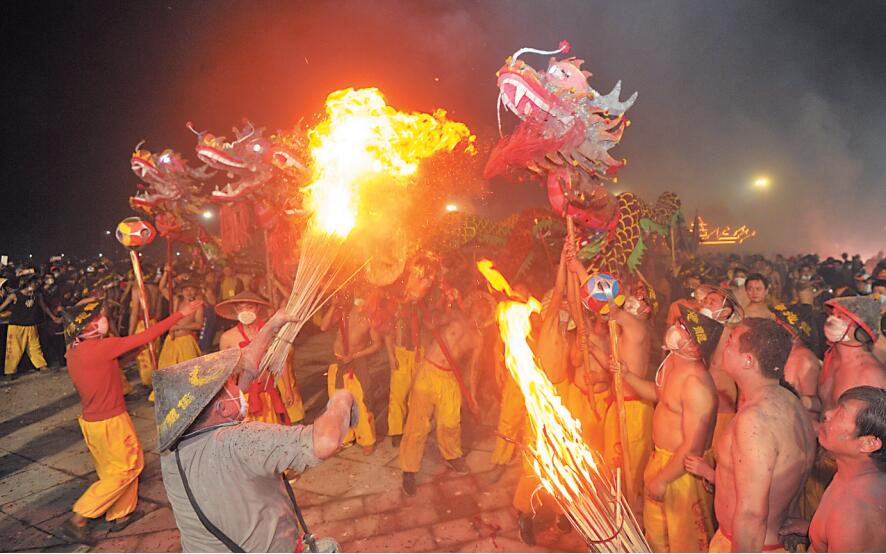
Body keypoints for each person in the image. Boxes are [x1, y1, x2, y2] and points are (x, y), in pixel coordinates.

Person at [154, 309, 355, 552]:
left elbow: (248, 366)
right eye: (231, 386)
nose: (240, 387)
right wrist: (341, 399)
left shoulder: (172, 453)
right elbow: (324, 441)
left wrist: (272, 325)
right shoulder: (239, 442)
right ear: (221, 408)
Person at [59, 298, 201, 544]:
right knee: (129, 467)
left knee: (111, 470)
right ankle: (80, 515)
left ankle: (121, 514)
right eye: (95, 318)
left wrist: (136, 352)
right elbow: (147, 335)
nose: (101, 320)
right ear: (85, 327)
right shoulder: (100, 347)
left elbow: (110, 366)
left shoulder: (74, 350)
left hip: (92, 423)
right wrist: (180, 313)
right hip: (111, 421)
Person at [709, 318, 816, 552]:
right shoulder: (791, 401)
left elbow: (752, 514)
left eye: (730, 343)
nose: (724, 346)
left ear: (748, 360)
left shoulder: (754, 420)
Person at [620, 305, 719, 552]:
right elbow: (658, 395)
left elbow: (693, 446)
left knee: (683, 541)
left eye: (685, 329)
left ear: (696, 347)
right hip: (662, 460)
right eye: (680, 324)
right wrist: (626, 375)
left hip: (682, 472)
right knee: (658, 538)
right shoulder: (674, 364)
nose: (676, 328)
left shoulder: (696, 384)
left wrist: (664, 479)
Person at [399, 293, 487, 496]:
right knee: (417, 424)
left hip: (449, 379)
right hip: (429, 370)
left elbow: (473, 369)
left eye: (486, 310)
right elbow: (431, 323)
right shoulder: (455, 315)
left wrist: (472, 397)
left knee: (450, 422)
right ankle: (409, 470)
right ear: (472, 306)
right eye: (480, 305)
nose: (482, 311)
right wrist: (443, 303)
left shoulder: (478, 338)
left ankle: (452, 456)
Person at [780, 386, 886, 552]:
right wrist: (815, 533)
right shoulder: (854, 475)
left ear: (868, 443)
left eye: (841, 413)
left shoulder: (852, 517)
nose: (827, 414)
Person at [217, 291, 303, 425]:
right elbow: (225, 372)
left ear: (257, 308)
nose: (244, 311)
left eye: (249, 307)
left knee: (273, 429)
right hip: (244, 394)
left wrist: (287, 388)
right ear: (235, 310)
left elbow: (281, 361)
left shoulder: (269, 332)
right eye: (240, 308)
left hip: (267, 390)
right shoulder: (228, 338)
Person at [321, 288, 383, 455]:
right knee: (337, 402)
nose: (362, 299)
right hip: (337, 362)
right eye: (360, 295)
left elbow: (377, 344)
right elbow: (323, 326)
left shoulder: (370, 320)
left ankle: (367, 439)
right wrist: (333, 306)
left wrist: (355, 355)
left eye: (367, 296)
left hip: (356, 364)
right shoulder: (342, 313)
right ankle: (345, 437)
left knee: (362, 402)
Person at [696, 284, 743, 451]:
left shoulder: (731, 335)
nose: (706, 304)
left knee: (716, 451)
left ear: (726, 312)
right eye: (706, 301)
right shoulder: (700, 331)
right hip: (703, 400)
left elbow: (740, 375)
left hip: (722, 403)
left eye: (713, 302)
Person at [819, 296, 886, 413]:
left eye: (841, 316)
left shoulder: (869, 375)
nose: (832, 319)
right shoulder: (831, 359)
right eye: (832, 314)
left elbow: (871, 427)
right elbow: (827, 407)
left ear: (861, 328)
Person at [1, 277, 60, 379]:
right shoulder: (14, 296)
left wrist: (53, 318)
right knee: (14, 349)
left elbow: (44, 307)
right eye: (34, 282)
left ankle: (42, 366)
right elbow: (1, 307)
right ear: (28, 283)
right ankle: (9, 372)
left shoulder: (37, 296)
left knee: (35, 347)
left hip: (31, 326)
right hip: (16, 327)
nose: (37, 284)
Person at [773, 303, 823, 419]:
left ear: (795, 333)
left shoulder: (804, 360)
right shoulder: (784, 352)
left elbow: (812, 412)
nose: (775, 328)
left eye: (780, 325)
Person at [157, 278, 204, 370]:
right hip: (171, 340)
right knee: (167, 370)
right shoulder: (176, 301)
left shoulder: (197, 306)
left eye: (191, 289)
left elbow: (199, 325)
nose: (189, 292)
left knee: (189, 371)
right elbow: (162, 288)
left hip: (186, 340)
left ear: (195, 291)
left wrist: (179, 327)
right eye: (186, 289)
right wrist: (166, 272)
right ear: (182, 291)